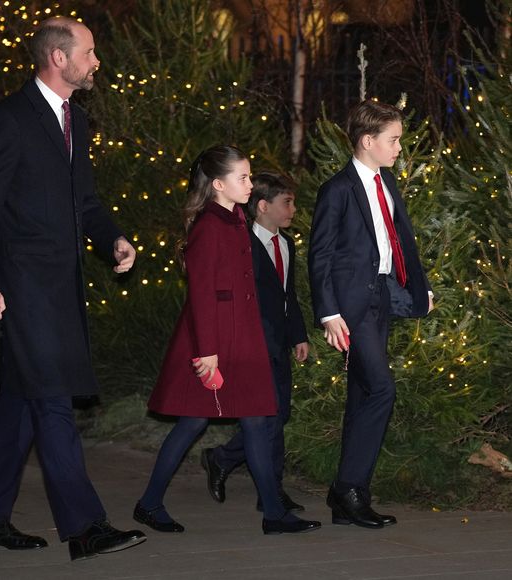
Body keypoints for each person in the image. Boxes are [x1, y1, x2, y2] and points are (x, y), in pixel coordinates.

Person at [0, 17, 146, 560]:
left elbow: (83, 201)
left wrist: (112, 238)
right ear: (58, 58)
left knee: (21, 404)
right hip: (21, 289)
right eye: (89, 52)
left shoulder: (75, 121)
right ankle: (85, 528)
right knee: (52, 402)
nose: (97, 62)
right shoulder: (10, 120)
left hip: (60, 287)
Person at [133, 146, 320, 535]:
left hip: (242, 339)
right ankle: (149, 503)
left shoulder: (235, 218)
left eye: (250, 177)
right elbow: (201, 294)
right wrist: (208, 353)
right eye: (244, 178)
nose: (250, 185)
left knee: (257, 420)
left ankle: (273, 513)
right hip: (212, 344)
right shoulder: (208, 226)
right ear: (219, 184)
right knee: (191, 424)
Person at [308, 99, 434, 529]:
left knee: (362, 395)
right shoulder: (339, 189)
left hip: (380, 298)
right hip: (351, 307)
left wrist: (418, 290)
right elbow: (319, 255)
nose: (399, 147)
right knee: (382, 389)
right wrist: (328, 314)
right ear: (367, 141)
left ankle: (347, 498)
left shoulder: (388, 183)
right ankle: (349, 488)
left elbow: (400, 243)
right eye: (393, 140)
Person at [201, 172, 309, 513]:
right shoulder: (243, 243)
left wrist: (299, 335)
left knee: (279, 413)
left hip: (279, 342)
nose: (293, 208)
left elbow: (287, 295)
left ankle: (221, 457)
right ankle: (270, 492)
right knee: (266, 416)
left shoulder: (287, 245)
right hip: (250, 343)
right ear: (262, 206)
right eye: (286, 202)